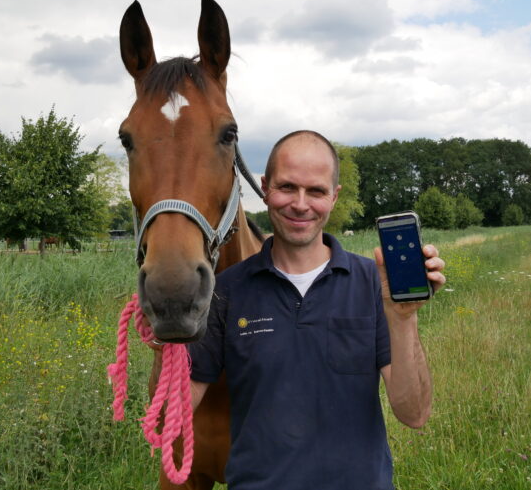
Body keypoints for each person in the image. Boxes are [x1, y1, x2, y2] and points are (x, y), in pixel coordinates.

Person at [188, 130, 446, 489]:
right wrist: (166, 333)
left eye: (316, 191)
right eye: (287, 187)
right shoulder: (225, 291)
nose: (300, 204)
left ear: (334, 196)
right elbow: (173, 415)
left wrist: (403, 317)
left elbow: (414, 414)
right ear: (265, 187)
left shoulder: (373, 283)